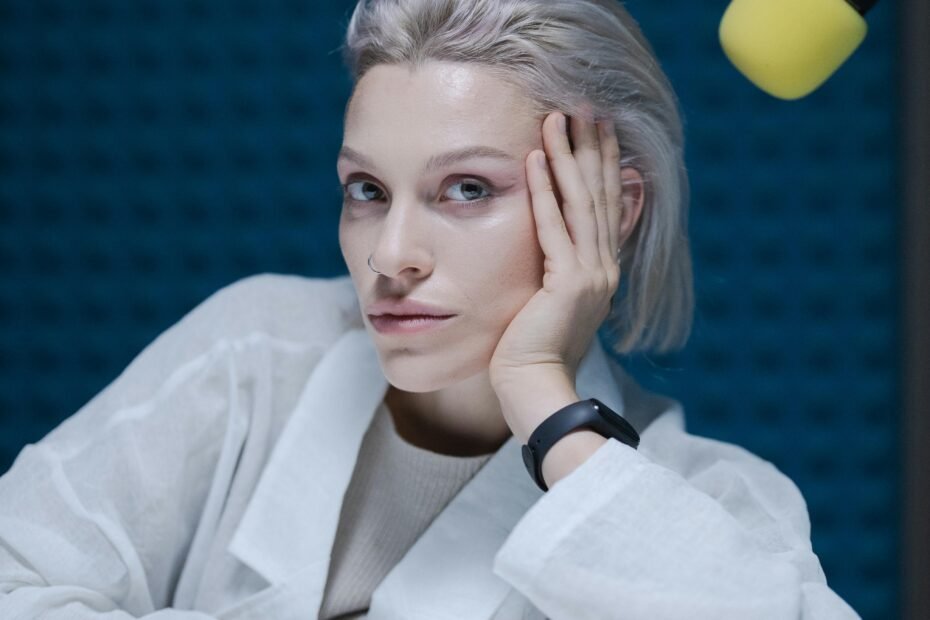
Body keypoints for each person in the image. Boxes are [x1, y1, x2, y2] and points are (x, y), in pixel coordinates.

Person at [0, 0, 861, 618]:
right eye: (367, 190)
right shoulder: (254, 350)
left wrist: (541, 396)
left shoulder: (717, 504)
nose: (388, 255)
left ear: (607, 209)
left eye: (465, 188)